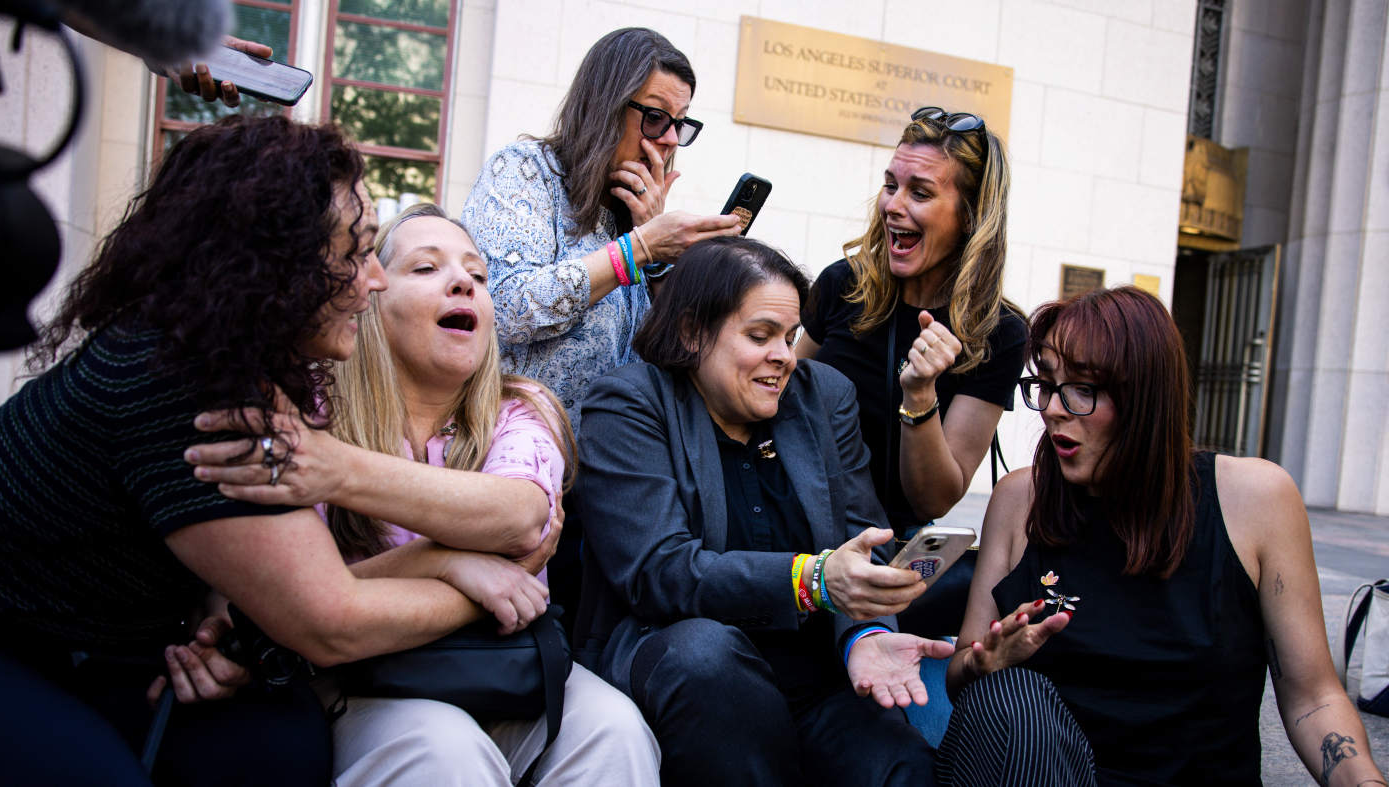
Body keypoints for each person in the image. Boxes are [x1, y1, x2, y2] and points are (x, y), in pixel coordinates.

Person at [0, 115, 496, 787]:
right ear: (275, 262)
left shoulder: (229, 359)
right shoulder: (183, 383)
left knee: (279, 740)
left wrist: (208, 626)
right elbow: (329, 621)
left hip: (115, 648)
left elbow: (286, 584)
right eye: (354, 252)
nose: (374, 280)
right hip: (12, 646)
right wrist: (470, 580)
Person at [184, 203, 661, 786]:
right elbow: (273, 602)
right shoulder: (309, 406)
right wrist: (447, 561)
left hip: (505, 662)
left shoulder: (521, 407)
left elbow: (518, 516)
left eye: (477, 274)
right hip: (360, 676)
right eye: (426, 268)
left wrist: (334, 469)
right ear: (370, 297)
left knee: (615, 728)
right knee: (442, 749)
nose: (463, 282)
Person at [939, 286, 1387, 787]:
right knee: (1010, 700)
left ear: (1145, 396)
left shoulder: (1256, 498)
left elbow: (1313, 698)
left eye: (1082, 388)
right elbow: (962, 674)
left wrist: (1364, 781)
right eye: (1045, 384)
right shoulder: (1020, 499)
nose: (1053, 409)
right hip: (1044, 773)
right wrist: (984, 665)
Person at [574, 236, 955, 787]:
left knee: (900, 765)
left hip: (817, 675)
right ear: (691, 331)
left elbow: (861, 538)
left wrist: (866, 635)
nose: (785, 356)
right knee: (707, 657)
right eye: (761, 336)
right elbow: (660, 571)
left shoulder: (823, 395)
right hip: (688, 672)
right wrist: (811, 579)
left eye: (791, 337)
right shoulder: (630, 403)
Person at [461, 26, 740, 438]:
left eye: (679, 124)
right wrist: (638, 248)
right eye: (656, 117)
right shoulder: (525, 169)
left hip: (609, 463)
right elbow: (505, 309)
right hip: (515, 454)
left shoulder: (638, 215)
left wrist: (660, 259)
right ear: (605, 107)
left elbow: (674, 354)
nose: (668, 139)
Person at [798, 107, 1027, 540]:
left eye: (919, 193)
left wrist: (920, 394)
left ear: (970, 216)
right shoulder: (842, 284)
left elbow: (933, 500)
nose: (893, 206)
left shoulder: (998, 332)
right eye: (891, 186)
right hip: (792, 528)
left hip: (883, 547)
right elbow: (783, 396)